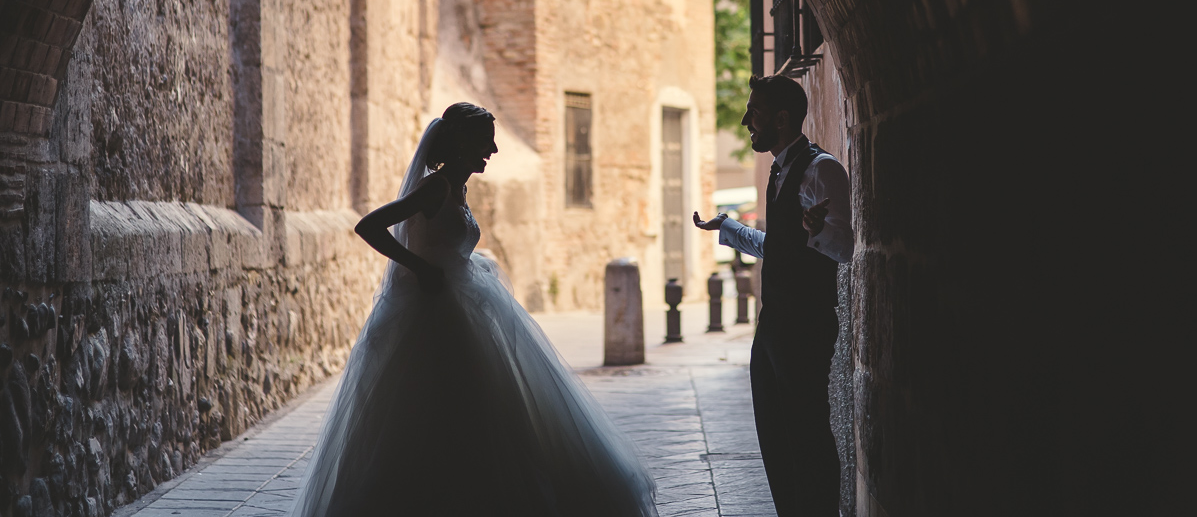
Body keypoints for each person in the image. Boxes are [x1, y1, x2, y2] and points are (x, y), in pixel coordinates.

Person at [289, 103, 658, 517]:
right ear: (462, 144)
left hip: (464, 306)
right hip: (431, 315)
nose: (495, 150)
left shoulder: (458, 190)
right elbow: (370, 226)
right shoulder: (436, 188)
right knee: (434, 409)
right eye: (486, 141)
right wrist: (420, 268)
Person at [693, 75, 851, 516]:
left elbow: (845, 247)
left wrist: (817, 232)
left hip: (806, 325)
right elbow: (777, 246)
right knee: (775, 433)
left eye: (754, 111)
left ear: (781, 119)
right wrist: (728, 228)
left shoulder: (823, 169)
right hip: (773, 326)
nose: (745, 120)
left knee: (808, 431)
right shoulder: (779, 168)